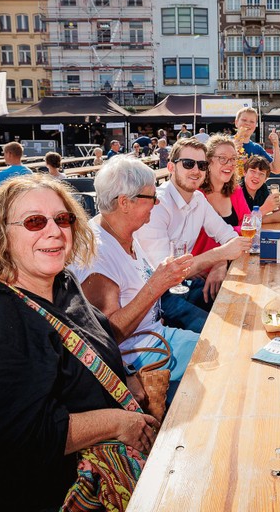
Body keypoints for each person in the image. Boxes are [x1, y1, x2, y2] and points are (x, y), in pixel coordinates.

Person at [0, 175, 158, 510]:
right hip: (32, 495)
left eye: (62, 219)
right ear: (2, 234)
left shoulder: (62, 283)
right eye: (34, 221)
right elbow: (12, 442)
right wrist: (117, 422)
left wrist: (125, 380)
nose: (54, 231)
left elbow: (94, 345)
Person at [71, 157, 199, 405]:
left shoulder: (122, 232)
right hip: (140, 358)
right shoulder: (97, 254)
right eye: (151, 197)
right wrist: (156, 286)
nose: (157, 202)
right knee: (222, 363)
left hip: (157, 339)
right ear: (125, 202)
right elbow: (106, 335)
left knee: (222, 347)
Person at [135, 138, 252, 330]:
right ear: (171, 167)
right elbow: (165, 272)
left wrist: (220, 263)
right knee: (218, 330)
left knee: (239, 308)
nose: (196, 170)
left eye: (202, 165)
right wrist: (220, 255)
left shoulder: (198, 199)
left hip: (182, 286)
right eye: (188, 164)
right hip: (153, 299)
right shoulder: (158, 204)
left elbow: (229, 235)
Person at [239, 155, 280, 224]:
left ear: (265, 179)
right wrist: (264, 209)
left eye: (261, 174)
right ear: (245, 173)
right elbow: (240, 223)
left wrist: (259, 220)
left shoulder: (262, 189)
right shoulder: (237, 191)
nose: (256, 176)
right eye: (253, 171)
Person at [233, 107, 280, 175]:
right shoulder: (226, 144)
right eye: (244, 120)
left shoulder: (257, 148)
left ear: (255, 125)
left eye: (252, 121)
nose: (247, 123)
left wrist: (276, 144)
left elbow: (277, 169)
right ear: (236, 122)